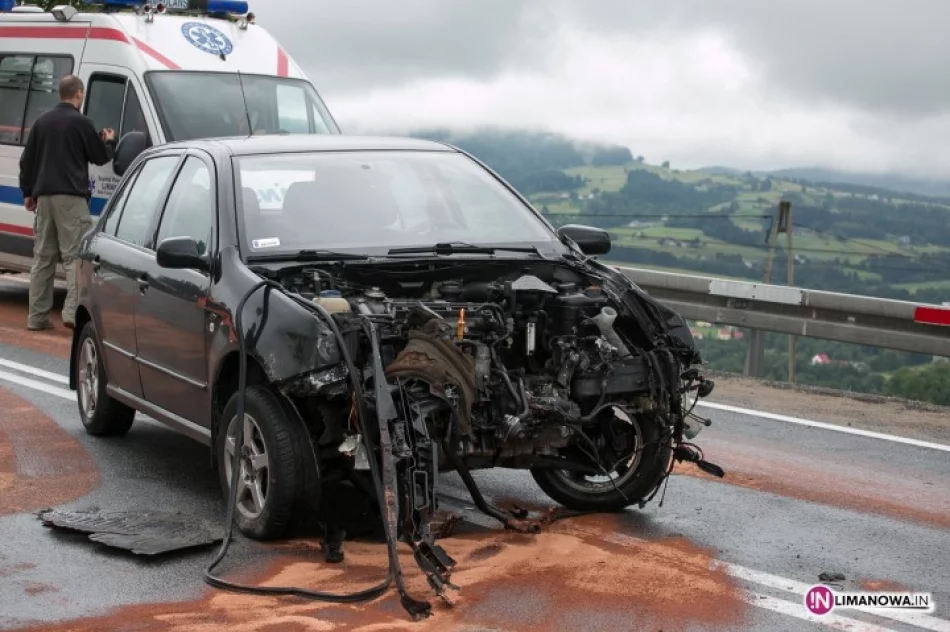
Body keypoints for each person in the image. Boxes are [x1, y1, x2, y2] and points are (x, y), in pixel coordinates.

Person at [18, 75, 116, 331]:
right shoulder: (82, 123)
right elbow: (98, 157)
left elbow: (26, 161)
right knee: (75, 257)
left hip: (44, 199)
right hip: (71, 199)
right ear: (79, 94)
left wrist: (28, 192)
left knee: (43, 258)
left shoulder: (42, 121)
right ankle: (72, 311)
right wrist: (109, 141)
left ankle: (36, 317)